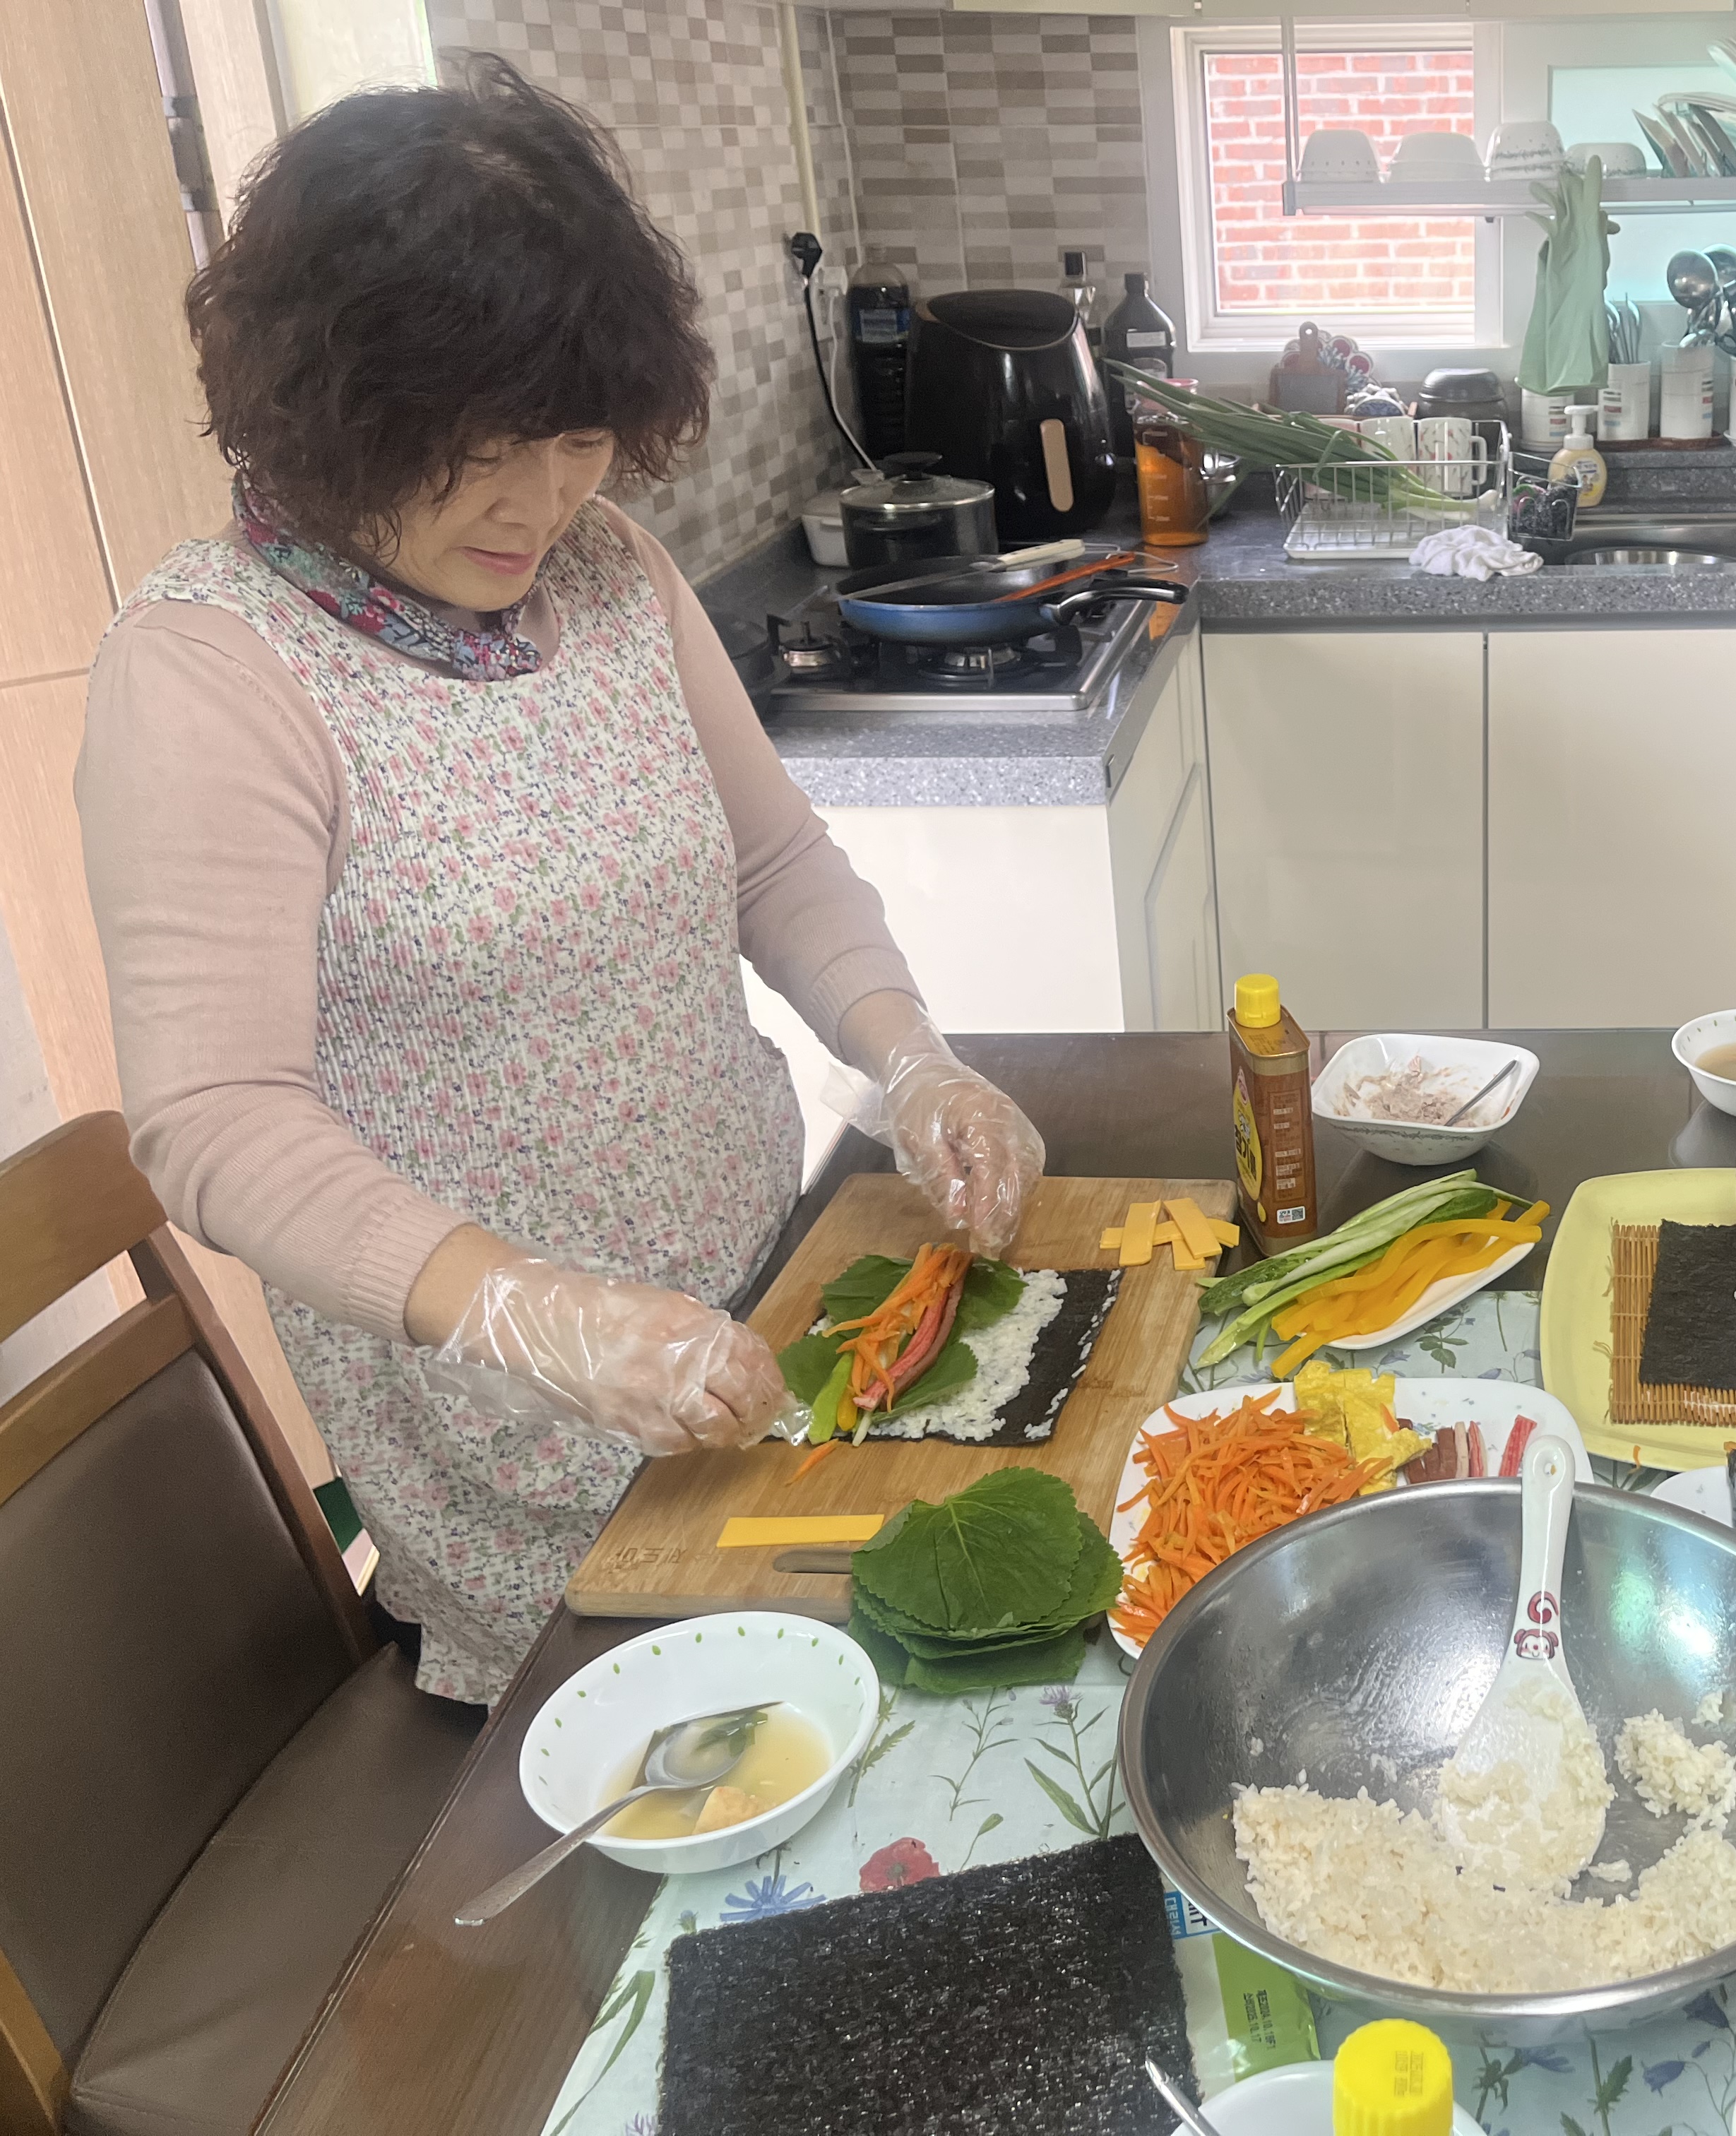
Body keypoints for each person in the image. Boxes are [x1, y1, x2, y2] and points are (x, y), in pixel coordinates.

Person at [76, 60, 1043, 1705]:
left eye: (579, 435)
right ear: (327, 412)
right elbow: (217, 1120)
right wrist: (536, 1318)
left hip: (783, 1302)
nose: (539, 500)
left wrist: (909, 1053)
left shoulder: (614, 572)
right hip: (516, 1430)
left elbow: (777, 863)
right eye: (472, 449)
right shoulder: (210, 673)